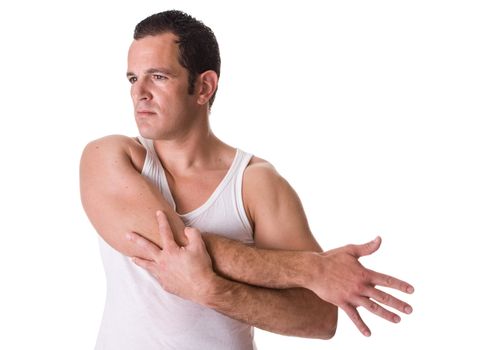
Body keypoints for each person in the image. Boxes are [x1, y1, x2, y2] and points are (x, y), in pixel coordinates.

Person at [80, 10, 414, 350]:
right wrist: (312, 269)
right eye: (133, 79)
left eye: (159, 77)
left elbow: (320, 319)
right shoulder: (109, 157)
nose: (140, 93)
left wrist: (212, 290)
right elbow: (173, 245)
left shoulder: (256, 185)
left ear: (204, 86)